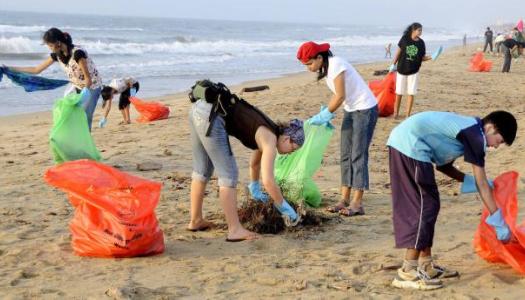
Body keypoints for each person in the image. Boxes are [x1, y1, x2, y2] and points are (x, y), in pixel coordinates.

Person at [387, 110, 517, 290]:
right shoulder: (475, 135)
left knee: (431, 205)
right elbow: (482, 183)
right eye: (499, 141)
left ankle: (426, 264)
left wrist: (467, 180)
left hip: (410, 144)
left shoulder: (470, 131)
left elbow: (443, 166)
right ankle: (408, 270)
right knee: (424, 208)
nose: (495, 147)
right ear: (490, 128)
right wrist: (499, 222)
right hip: (410, 145)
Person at [188, 81, 304, 241]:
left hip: (199, 108)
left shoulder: (268, 130)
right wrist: (282, 205)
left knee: (203, 170)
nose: (291, 153)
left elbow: (255, 164)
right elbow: (269, 181)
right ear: (287, 139)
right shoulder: (270, 140)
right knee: (229, 175)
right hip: (212, 116)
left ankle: (196, 220)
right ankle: (234, 230)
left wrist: (255, 186)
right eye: (293, 149)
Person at [296, 41, 378, 217]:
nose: (309, 68)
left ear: (319, 57)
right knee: (345, 154)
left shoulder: (336, 64)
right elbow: (339, 95)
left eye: (310, 63)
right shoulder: (326, 70)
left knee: (358, 154)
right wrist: (327, 113)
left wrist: (325, 114)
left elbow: (340, 95)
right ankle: (344, 200)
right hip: (351, 109)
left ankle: (357, 203)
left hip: (365, 109)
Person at [7, 28, 102, 130]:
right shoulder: (57, 56)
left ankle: (85, 143)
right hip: (76, 85)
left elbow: (88, 79)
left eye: (51, 46)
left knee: (85, 116)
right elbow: (36, 69)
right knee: (65, 113)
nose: (50, 48)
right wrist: (10, 68)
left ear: (58, 43)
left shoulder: (78, 54)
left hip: (92, 86)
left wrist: (83, 95)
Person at [389, 22, 432, 119]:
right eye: (419, 30)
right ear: (413, 30)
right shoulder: (405, 39)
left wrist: (430, 57)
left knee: (411, 93)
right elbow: (398, 53)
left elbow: (422, 58)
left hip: (414, 71)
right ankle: (396, 113)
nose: (421, 32)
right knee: (399, 92)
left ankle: (407, 115)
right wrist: (393, 64)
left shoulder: (421, 43)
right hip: (401, 69)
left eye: (421, 30)